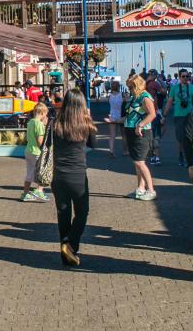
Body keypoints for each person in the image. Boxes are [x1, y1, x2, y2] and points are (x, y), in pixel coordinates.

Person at [50, 89, 98, 267]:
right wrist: (89, 118)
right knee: (82, 212)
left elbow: (47, 144)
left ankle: (65, 252)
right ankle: (71, 244)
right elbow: (94, 144)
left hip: (58, 175)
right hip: (77, 175)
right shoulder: (85, 123)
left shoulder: (55, 123)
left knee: (63, 214)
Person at [123, 75, 157, 200]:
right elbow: (129, 116)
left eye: (131, 87)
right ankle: (141, 188)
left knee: (140, 162)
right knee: (137, 163)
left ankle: (151, 190)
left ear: (137, 85)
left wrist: (140, 125)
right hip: (131, 131)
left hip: (141, 133)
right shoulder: (134, 97)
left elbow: (152, 114)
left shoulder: (145, 96)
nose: (129, 89)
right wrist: (114, 120)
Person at [22, 103, 49, 202]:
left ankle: (25, 194)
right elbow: (40, 141)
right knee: (42, 172)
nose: (46, 116)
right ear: (42, 113)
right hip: (37, 152)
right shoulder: (39, 124)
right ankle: (39, 190)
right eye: (45, 114)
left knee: (29, 173)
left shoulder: (31, 122)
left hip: (28, 151)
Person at [105, 81, 125, 157]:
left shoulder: (110, 96)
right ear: (119, 87)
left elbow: (109, 103)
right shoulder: (121, 95)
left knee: (112, 135)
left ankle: (111, 151)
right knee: (124, 135)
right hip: (121, 116)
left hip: (112, 116)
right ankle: (125, 151)